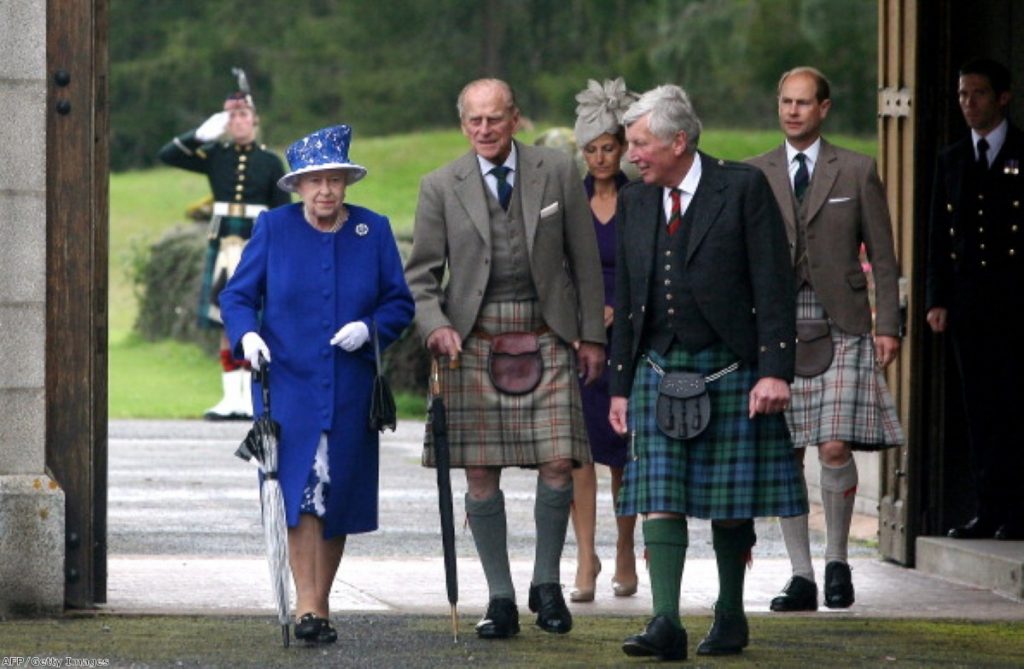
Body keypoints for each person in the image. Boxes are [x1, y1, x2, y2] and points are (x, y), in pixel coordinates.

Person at [608, 85, 807, 660]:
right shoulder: (636, 200)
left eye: (640, 143)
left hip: (730, 367)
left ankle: (730, 612)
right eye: (629, 144)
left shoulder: (741, 188)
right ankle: (664, 621)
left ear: (679, 140)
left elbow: (774, 284)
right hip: (656, 366)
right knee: (659, 494)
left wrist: (775, 370)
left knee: (729, 500)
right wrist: (620, 386)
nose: (631, 154)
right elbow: (628, 300)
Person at [404, 78, 606, 640]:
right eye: (475, 121)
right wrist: (436, 326)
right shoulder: (440, 185)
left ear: (515, 118)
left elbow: (584, 261)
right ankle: (500, 598)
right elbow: (420, 277)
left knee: (560, 462)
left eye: (495, 119)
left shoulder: (557, 170)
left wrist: (591, 336)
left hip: (547, 330)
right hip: (471, 337)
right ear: (462, 123)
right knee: (479, 470)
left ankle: (547, 584)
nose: (485, 130)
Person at [220, 125, 414, 643]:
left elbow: (399, 303)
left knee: (338, 497)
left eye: (334, 179)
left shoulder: (373, 230)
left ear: (346, 182)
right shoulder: (274, 228)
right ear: (298, 187)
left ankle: (318, 602)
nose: (325, 190)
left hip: (350, 389)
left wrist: (370, 329)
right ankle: (309, 606)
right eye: (314, 181)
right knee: (298, 492)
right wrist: (248, 337)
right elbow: (237, 296)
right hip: (289, 387)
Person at [747, 66, 904, 612]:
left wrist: (888, 325)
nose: (792, 111)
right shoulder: (754, 172)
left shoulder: (857, 170)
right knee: (785, 451)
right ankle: (801, 576)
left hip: (843, 320)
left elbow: (882, 254)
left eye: (803, 102)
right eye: (785, 101)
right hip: (776, 325)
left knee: (833, 444)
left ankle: (837, 563)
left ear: (825, 108)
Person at [925, 58, 1024, 541]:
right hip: (970, 305)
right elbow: (939, 239)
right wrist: (935, 298)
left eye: (978, 94)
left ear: (1002, 97)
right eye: (963, 94)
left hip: (1017, 302)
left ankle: (1019, 510)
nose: (968, 103)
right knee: (979, 409)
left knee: (1017, 405)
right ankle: (989, 509)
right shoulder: (952, 159)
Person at [158, 70, 290, 421]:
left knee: (255, 318)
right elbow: (168, 155)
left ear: (255, 120)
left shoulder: (269, 161)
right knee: (222, 319)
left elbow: (283, 212)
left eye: (243, 114)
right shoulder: (216, 154)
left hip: (256, 243)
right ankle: (230, 398)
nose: (237, 121)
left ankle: (250, 398)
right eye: (231, 115)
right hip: (222, 242)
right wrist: (201, 134)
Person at [567, 78, 638, 603]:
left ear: (623, 148)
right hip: (581, 341)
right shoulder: (573, 201)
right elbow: (558, 267)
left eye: (607, 148)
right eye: (589, 150)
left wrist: (623, 314)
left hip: (630, 339)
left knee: (623, 451)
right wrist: (578, 321)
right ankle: (585, 557)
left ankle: (624, 549)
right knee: (580, 452)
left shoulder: (642, 199)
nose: (599, 158)